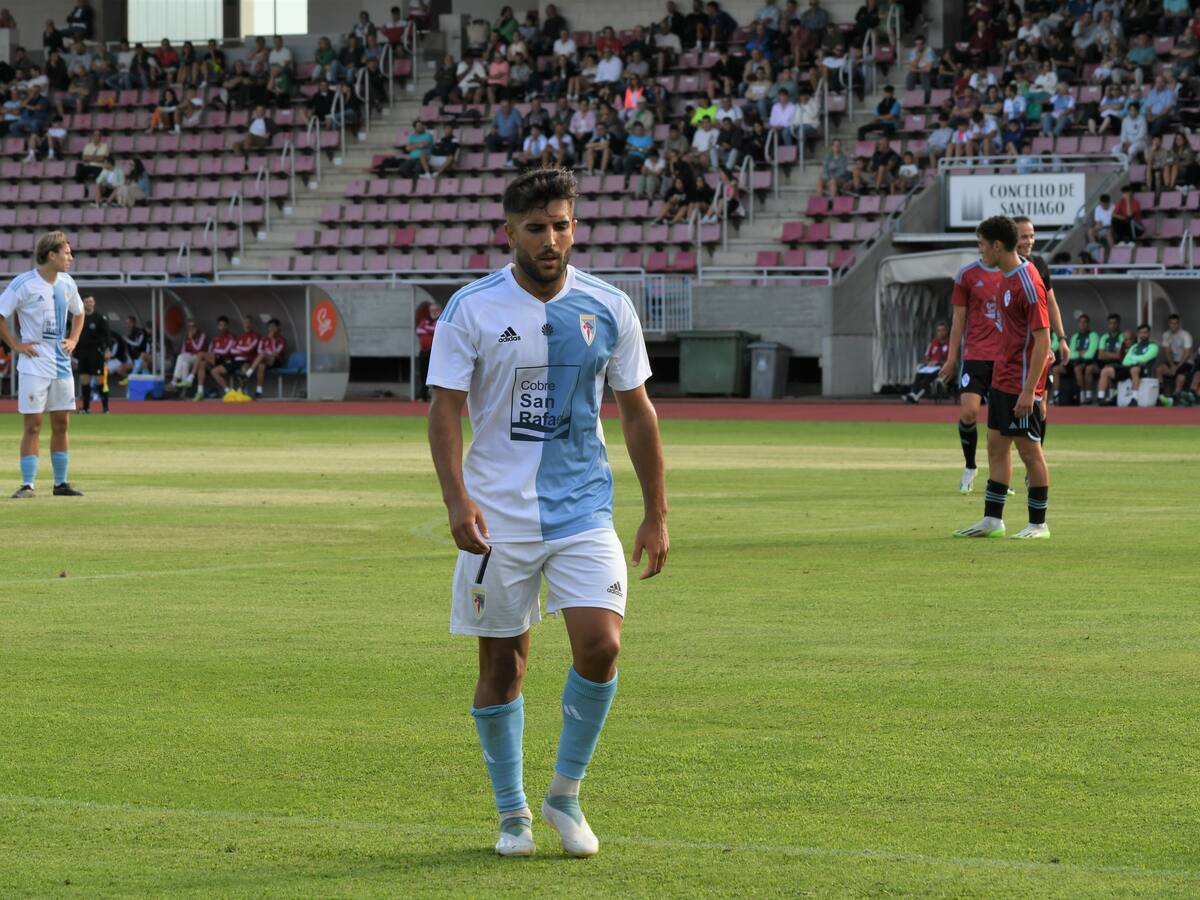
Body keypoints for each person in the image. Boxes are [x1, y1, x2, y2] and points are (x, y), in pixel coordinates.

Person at [426, 167, 668, 859]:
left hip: (584, 510)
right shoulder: (470, 308)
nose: (550, 238)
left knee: (603, 645)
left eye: (561, 224)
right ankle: (513, 814)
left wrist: (656, 513)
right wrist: (455, 500)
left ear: (574, 226)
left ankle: (565, 792)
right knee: (505, 666)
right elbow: (444, 413)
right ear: (510, 233)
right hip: (495, 519)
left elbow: (638, 412)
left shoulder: (608, 305)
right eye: (536, 227)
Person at [954, 216, 1051, 539]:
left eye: (982, 244)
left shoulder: (1026, 281)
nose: (980, 251)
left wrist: (1029, 391)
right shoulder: (1006, 276)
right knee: (996, 447)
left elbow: (1043, 340)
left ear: (997, 246)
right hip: (1002, 376)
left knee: (1030, 452)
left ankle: (1039, 524)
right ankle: (993, 520)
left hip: (1021, 383)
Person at [0, 231, 86, 498]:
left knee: (61, 424)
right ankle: (28, 484)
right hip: (34, 365)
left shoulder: (67, 283)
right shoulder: (23, 284)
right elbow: (1, 315)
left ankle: (61, 483)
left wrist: (73, 339)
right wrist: (15, 345)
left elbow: (79, 313)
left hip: (61, 365)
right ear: (51, 255)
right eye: (67, 253)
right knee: (33, 425)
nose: (70, 258)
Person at [1013, 216, 1068, 445]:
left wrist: (1062, 338)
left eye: (1032, 235)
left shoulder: (1039, 264)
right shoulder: (1002, 268)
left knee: (1041, 406)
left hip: (1040, 346)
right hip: (1014, 351)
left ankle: (1035, 466)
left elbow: (1051, 303)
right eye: (1024, 236)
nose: (1029, 241)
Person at [1098, 323, 1158, 404]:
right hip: (1128, 368)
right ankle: (1101, 397)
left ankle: (1134, 399)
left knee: (1134, 369)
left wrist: (1133, 358)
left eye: (1145, 332)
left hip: (1144, 370)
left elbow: (1145, 359)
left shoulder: (1153, 346)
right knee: (1105, 370)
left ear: (1149, 333)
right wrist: (1136, 359)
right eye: (1141, 332)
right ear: (1138, 334)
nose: (1143, 334)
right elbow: (1125, 361)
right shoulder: (1134, 346)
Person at [73, 294, 109, 414]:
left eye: (90, 301)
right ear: (83, 303)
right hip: (83, 353)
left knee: (100, 381)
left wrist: (107, 349)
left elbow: (107, 335)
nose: (88, 303)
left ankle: (105, 408)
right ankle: (86, 407)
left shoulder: (99, 318)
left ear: (94, 303)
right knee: (84, 380)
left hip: (96, 352)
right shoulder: (79, 317)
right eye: (86, 301)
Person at [1054, 314, 1098, 403]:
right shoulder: (1075, 336)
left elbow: (1090, 354)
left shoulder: (1093, 335)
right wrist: (1081, 353)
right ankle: (1056, 396)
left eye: (1085, 322)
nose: (1082, 324)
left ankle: (1084, 396)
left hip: (1089, 363)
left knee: (1079, 369)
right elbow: (1071, 354)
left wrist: (1079, 353)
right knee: (1056, 369)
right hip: (1074, 362)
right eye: (1080, 322)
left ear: (1088, 324)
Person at [904, 322, 950, 403]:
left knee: (927, 378)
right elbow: (926, 357)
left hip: (942, 367)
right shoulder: (933, 342)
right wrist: (929, 362)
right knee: (919, 374)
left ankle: (916, 396)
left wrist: (938, 362)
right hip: (930, 367)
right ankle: (913, 393)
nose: (941, 332)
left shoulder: (949, 343)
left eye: (942, 330)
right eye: (939, 330)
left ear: (946, 331)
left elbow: (951, 359)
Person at [193, 315, 235, 400]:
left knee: (201, 354)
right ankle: (200, 392)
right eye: (220, 325)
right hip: (215, 360)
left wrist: (215, 352)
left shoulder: (231, 337)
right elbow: (210, 350)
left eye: (223, 325)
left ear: (227, 326)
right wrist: (212, 353)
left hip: (226, 360)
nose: (221, 327)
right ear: (218, 326)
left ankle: (191, 376)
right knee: (202, 363)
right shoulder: (215, 338)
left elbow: (225, 351)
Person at [1087, 313, 1126, 404]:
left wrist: (1107, 353)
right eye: (1110, 323)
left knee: (1108, 369)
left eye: (1115, 323)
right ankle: (1086, 395)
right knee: (1089, 369)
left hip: (1119, 364)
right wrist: (1114, 353)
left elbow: (1120, 355)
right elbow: (1100, 355)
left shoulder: (1122, 337)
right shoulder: (1104, 337)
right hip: (1103, 363)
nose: (1112, 325)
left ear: (1118, 324)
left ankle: (1106, 397)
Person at [244, 318, 285, 397]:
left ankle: (248, 373)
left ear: (278, 327)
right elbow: (259, 350)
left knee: (263, 355)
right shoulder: (263, 339)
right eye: (269, 327)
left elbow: (276, 353)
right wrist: (266, 354)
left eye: (273, 327)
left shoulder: (281, 340)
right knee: (261, 365)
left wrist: (272, 340)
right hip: (264, 360)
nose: (271, 329)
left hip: (275, 361)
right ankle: (259, 390)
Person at [1155, 313, 1192, 399]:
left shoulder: (1185, 335)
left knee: (1180, 377)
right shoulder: (1166, 334)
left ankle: (1175, 397)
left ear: (1178, 324)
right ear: (1169, 324)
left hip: (1186, 362)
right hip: (1173, 363)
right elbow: (1166, 351)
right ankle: (1161, 394)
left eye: (1175, 323)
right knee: (1159, 370)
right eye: (1171, 323)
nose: (1173, 325)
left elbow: (1187, 353)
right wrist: (1172, 365)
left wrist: (1177, 367)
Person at [172, 317, 208, 390]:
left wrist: (191, 339)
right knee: (184, 363)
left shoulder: (201, 334)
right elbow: (183, 350)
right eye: (189, 327)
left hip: (200, 358)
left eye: (192, 327)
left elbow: (198, 349)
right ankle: (185, 389)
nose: (191, 329)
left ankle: (174, 381)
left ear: (196, 327)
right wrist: (187, 354)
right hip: (190, 357)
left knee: (181, 357)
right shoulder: (186, 336)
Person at [415, 301, 440, 401]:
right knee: (423, 374)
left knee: (435, 375)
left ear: (440, 310)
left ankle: (435, 396)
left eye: (435, 310)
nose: (433, 312)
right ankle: (423, 396)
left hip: (435, 353)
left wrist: (427, 329)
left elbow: (436, 330)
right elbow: (418, 330)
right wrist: (429, 330)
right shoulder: (425, 321)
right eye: (431, 310)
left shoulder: (441, 320)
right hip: (424, 352)